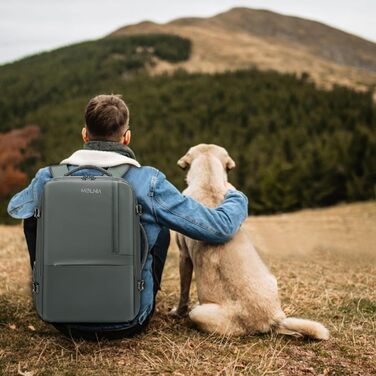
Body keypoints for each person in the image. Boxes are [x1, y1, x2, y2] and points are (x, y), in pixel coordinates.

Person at [7, 94, 248, 339]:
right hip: (130, 319)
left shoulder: (48, 177)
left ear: (84, 134)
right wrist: (236, 197)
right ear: (127, 137)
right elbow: (220, 228)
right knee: (160, 225)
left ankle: (54, 289)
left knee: (34, 216)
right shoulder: (148, 181)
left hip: (59, 317)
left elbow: (17, 208)